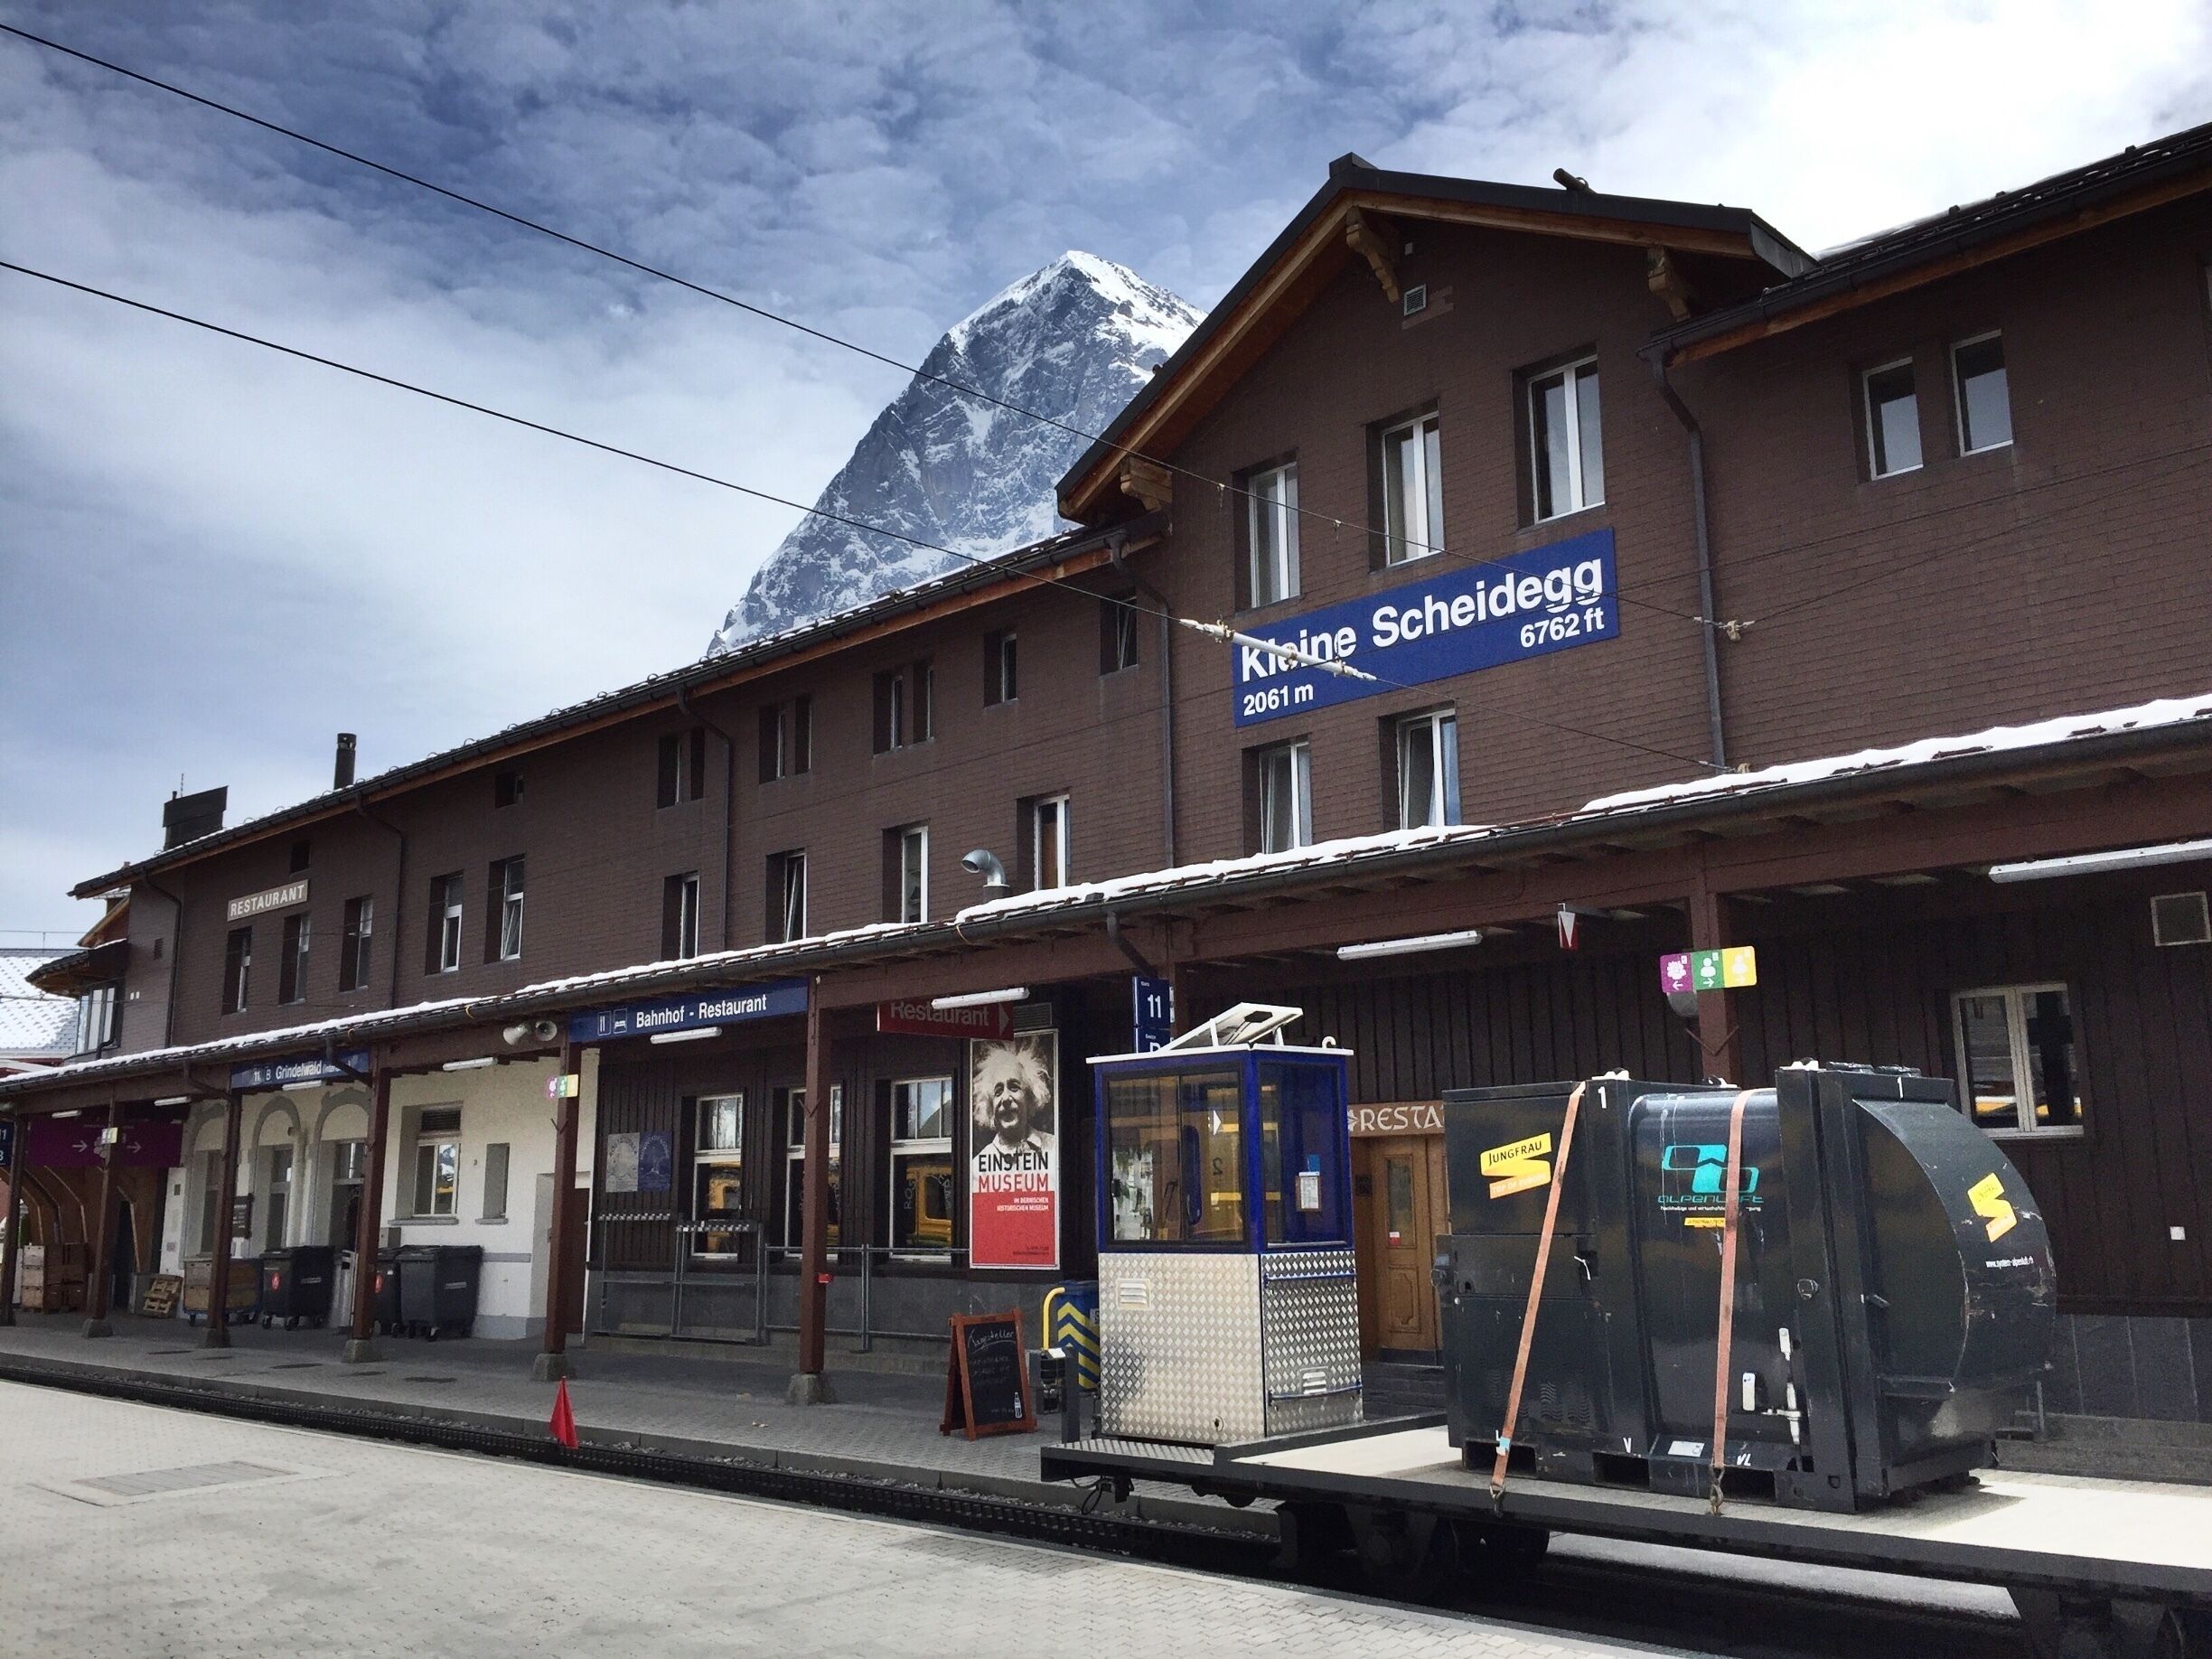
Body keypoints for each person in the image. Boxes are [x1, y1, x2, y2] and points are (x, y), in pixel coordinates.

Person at [971, 1041, 1053, 1162]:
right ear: (990, 1107)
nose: (1005, 1099)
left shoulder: (1053, 1149)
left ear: (1030, 1097)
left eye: (1014, 1087)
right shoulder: (978, 1168)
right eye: (998, 1091)